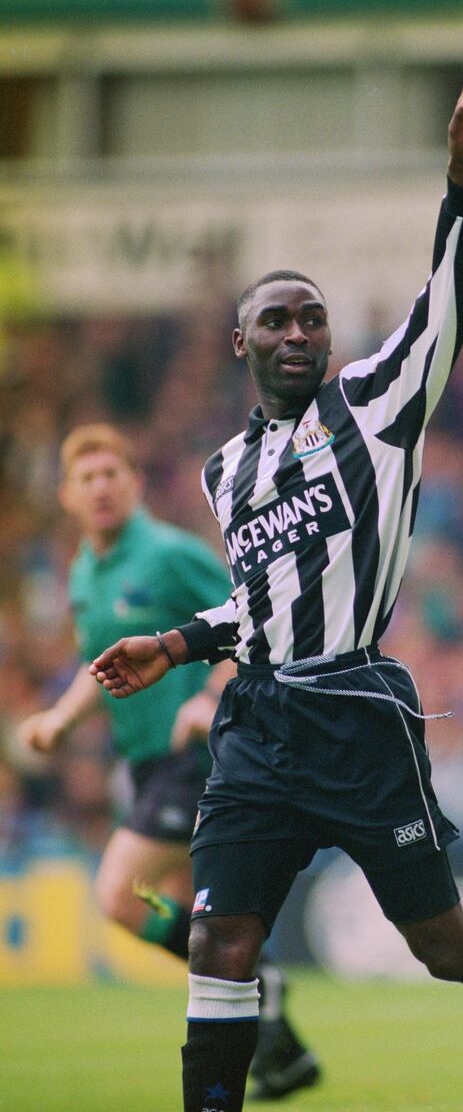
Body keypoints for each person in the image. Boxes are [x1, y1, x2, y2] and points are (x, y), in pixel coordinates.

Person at [90, 51, 463, 1112]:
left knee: (445, 949)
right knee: (220, 938)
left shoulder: (375, 405)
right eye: (275, 320)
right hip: (259, 725)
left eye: (310, 316)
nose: (297, 332)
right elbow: (262, 601)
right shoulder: (225, 471)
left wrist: (461, 183)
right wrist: (177, 644)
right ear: (241, 343)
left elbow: (447, 296)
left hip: (359, 714)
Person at [18, 422, 320, 1101]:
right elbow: (101, 664)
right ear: (66, 495)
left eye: (112, 475)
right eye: (87, 478)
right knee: (208, 928)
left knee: (120, 897)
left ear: (135, 484)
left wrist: (208, 694)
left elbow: (255, 616)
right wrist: (61, 721)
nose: (101, 488)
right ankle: (283, 1054)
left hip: (198, 752)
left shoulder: (167, 554)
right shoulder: (84, 573)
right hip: (149, 765)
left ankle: (263, 981)